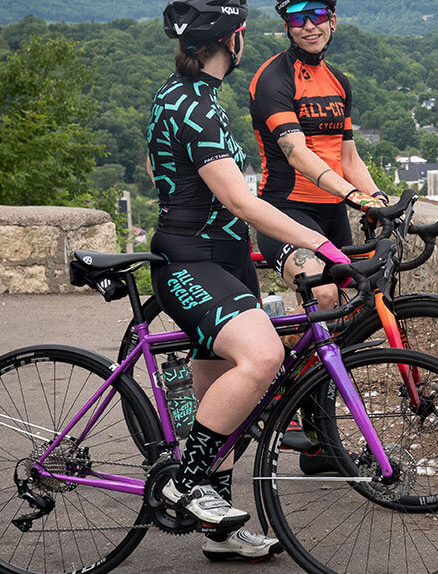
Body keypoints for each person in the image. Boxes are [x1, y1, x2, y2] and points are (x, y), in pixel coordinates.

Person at [150, 0, 349, 562]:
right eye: (241, 34)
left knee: (225, 396)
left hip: (223, 257)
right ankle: (183, 483)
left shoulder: (193, 98)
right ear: (231, 41)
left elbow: (156, 167)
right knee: (261, 357)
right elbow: (240, 198)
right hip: (192, 260)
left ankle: (221, 531)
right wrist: (320, 243)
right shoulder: (192, 106)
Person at [249, 0, 385, 312]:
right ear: (288, 27)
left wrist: (376, 196)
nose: (309, 26)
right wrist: (353, 194)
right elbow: (296, 152)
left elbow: (348, 157)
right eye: (298, 19)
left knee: (361, 299)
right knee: (324, 294)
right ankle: (277, 354)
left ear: (332, 21)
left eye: (318, 15)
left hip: (334, 215)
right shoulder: (273, 78)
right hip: (286, 212)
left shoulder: (338, 80)